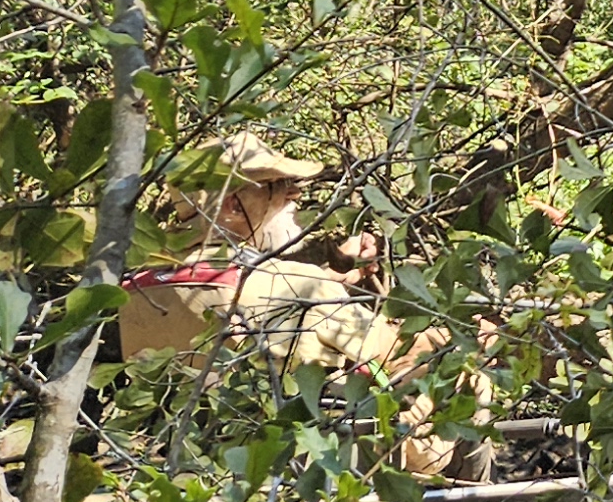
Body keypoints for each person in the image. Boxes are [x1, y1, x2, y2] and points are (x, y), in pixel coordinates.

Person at [118, 132, 405, 378]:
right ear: (233, 206)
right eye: (276, 185)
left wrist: (333, 277)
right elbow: (398, 353)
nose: (294, 194)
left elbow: (239, 287)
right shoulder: (293, 285)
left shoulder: (138, 289)